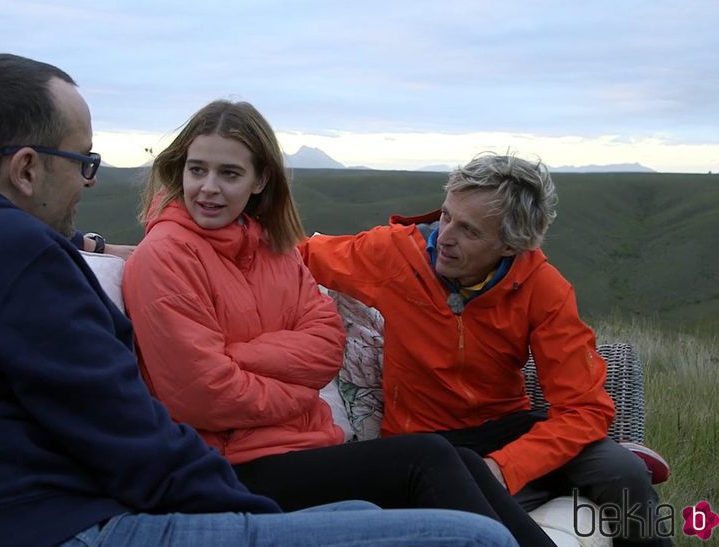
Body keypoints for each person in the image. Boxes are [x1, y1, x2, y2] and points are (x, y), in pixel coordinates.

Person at [0, 53, 518, 547]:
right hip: (61, 525)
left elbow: (319, 338)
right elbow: (137, 435)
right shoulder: (11, 257)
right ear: (25, 168)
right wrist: (252, 514)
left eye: (230, 173)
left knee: (372, 518)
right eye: (83, 161)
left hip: (21, 512)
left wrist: (90, 243)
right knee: (470, 539)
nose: (87, 179)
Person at [122, 100, 556, 546]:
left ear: (260, 180)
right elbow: (201, 397)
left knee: (455, 456)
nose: (208, 188)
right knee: (425, 459)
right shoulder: (165, 257)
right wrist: (294, 389)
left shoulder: (276, 251)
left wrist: (237, 359)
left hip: (304, 449)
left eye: (229, 174)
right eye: (197, 170)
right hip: (225, 468)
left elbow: (327, 347)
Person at [300, 152, 668, 546]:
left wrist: (505, 466)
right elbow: (297, 255)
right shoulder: (393, 254)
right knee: (467, 515)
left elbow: (584, 407)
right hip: (426, 443)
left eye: (470, 231)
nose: (445, 237)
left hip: (510, 429)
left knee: (624, 475)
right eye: (446, 216)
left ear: (511, 246)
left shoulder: (543, 288)